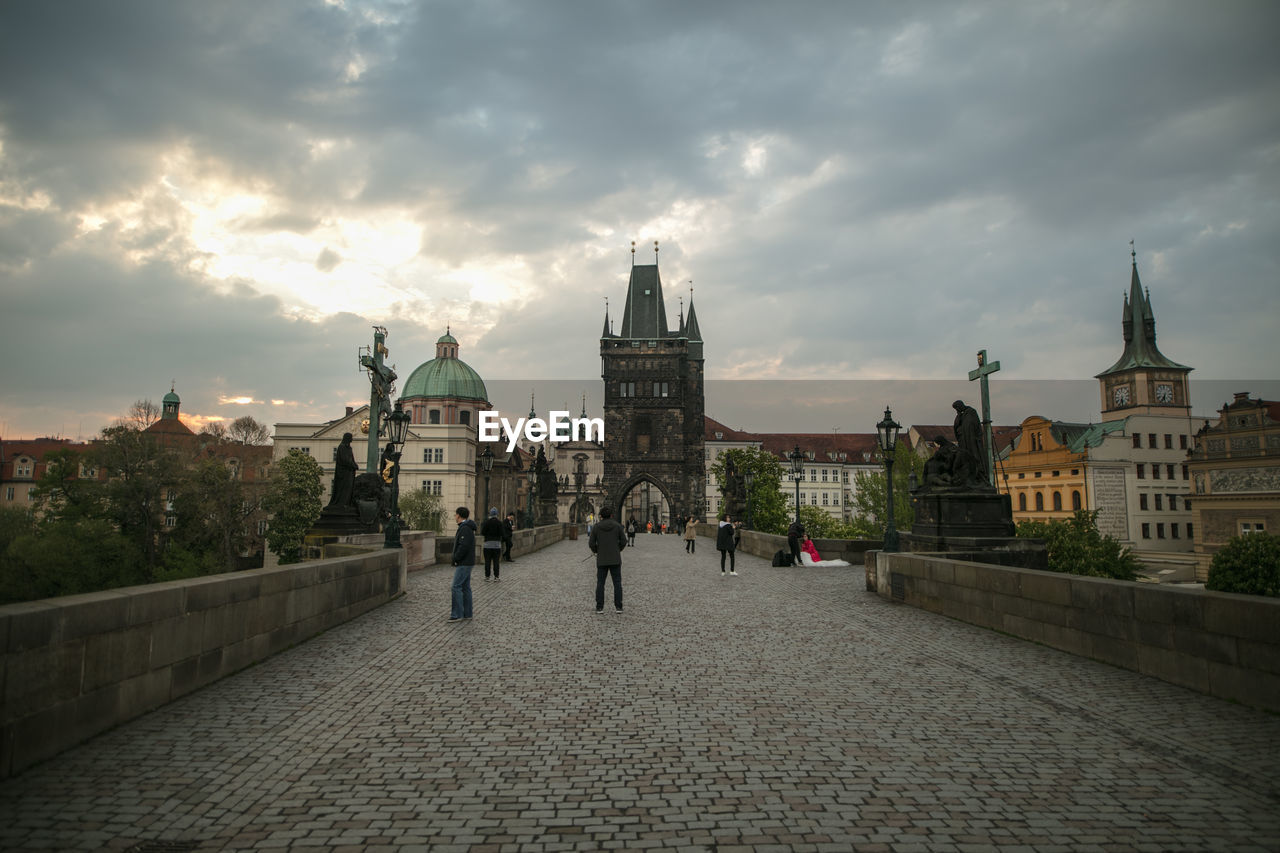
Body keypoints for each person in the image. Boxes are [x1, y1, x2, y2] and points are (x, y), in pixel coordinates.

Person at [588, 506, 627, 613]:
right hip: (615, 558)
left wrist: (597, 550)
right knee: (617, 583)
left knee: (600, 583)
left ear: (601, 516)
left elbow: (591, 543)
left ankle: (599, 607)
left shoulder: (597, 527)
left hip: (602, 559)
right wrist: (617, 549)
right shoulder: (618, 526)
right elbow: (624, 541)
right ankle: (618, 607)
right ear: (611, 515)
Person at [449, 506, 477, 622]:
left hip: (464, 562)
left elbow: (463, 546)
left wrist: (456, 557)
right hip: (468, 561)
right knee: (465, 587)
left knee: (456, 586)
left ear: (459, 516)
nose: (455, 517)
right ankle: (467, 613)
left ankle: (457, 614)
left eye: (455, 515)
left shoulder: (465, 528)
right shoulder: (467, 527)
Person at [952, 399, 987, 484]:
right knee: (964, 457)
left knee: (974, 456)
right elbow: (956, 427)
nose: (957, 410)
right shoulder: (959, 416)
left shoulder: (971, 412)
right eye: (955, 409)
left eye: (957, 408)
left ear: (960, 406)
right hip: (963, 440)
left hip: (971, 440)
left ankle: (978, 474)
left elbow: (974, 425)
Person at [328, 433, 358, 508]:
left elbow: (351, 458)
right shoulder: (342, 447)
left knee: (349, 488)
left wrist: (354, 464)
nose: (352, 439)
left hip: (349, 472)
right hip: (343, 472)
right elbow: (345, 459)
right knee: (343, 488)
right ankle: (341, 502)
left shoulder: (349, 448)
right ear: (347, 438)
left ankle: (347, 502)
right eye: (351, 437)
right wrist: (353, 465)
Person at [480, 507, 503, 581]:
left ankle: (487, 577)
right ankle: (496, 577)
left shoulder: (486, 522)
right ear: (497, 514)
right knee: (496, 561)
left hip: (487, 544)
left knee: (487, 561)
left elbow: (482, 532)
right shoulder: (499, 523)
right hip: (496, 545)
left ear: (490, 514)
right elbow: (502, 533)